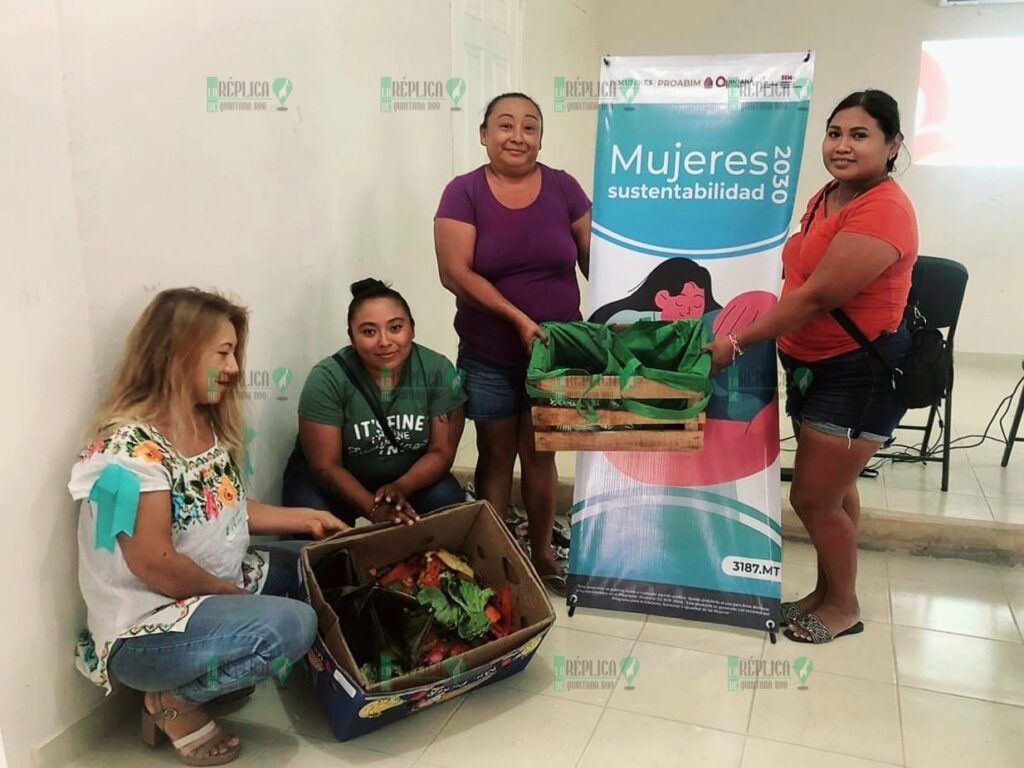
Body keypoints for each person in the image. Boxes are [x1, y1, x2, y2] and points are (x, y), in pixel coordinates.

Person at [68, 288, 348, 766]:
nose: (236, 367)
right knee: (291, 624)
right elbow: (155, 563)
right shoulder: (127, 451)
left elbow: (228, 508)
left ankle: (215, 666)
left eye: (235, 352)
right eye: (223, 352)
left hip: (205, 593)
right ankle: (171, 703)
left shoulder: (204, 423)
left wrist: (308, 521)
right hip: (147, 625)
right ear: (176, 353)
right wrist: (238, 599)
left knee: (324, 569)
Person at [705, 90, 918, 644]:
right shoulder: (829, 196)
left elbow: (818, 296)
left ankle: (843, 606)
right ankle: (826, 592)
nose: (842, 145)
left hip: (857, 372)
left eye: (861, 135)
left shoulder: (885, 209)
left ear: (893, 145)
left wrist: (735, 341)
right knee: (837, 491)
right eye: (835, 133)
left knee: (812, 497)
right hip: (809, 364)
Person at [433, 92, 592, 595]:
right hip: (489, 353)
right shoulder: (463, 193)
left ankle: (543, 552)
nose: (517, 136)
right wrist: (518, 319)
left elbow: (595, 261)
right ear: (484, 135)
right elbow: (454, 273)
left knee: (542, 455)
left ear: (541, 138)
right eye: (505, 125)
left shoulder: (564, 187)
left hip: (557, 352)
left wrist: (618, 320)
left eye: (530, 127)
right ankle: (494, 554)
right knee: (495, 454)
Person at [282, 279, 467, 526]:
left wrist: (401, 486)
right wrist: (372, 508)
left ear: (412, 328)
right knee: (314, 526)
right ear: (352, 336)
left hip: (406, 476)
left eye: (395, 328)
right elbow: (326, 466)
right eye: (369, 331)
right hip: (338, 478)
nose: (384, 341)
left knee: (447, 500)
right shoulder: (327, 378)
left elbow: (441, 452)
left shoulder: (438, 371)